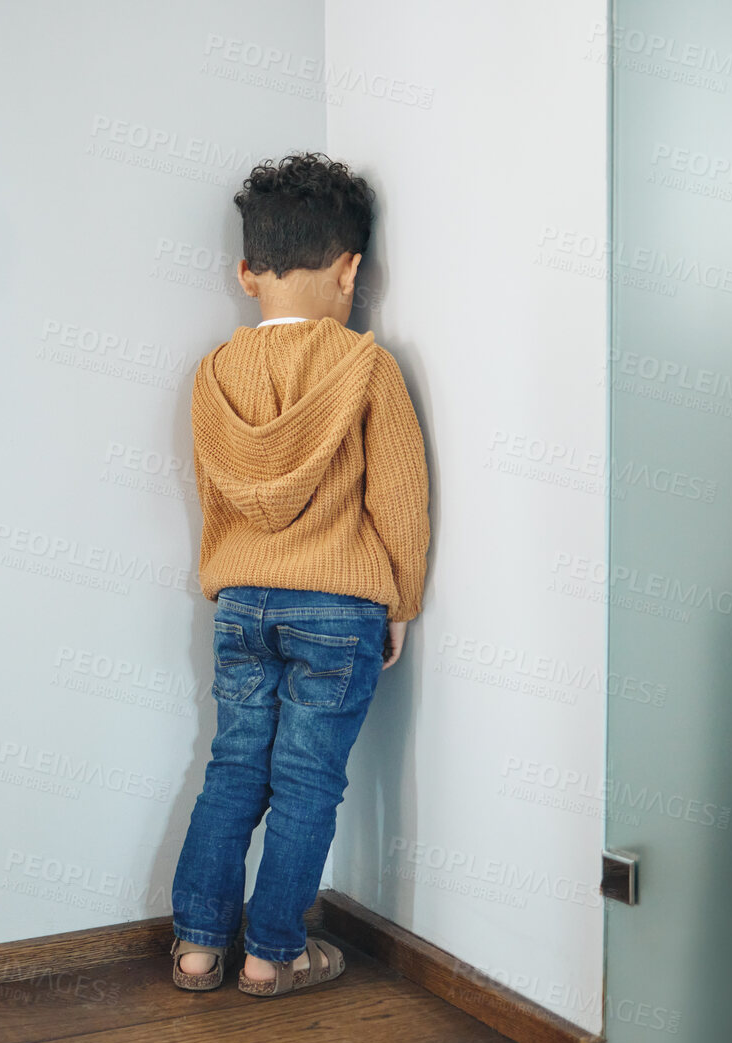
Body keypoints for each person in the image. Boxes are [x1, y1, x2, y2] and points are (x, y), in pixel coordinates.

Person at [168, 152, 431, 997]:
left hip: (240, 602)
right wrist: (402, 602)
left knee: (233, 769)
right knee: (307, 781)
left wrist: (231, 581)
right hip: (337, 607)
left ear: (246, 270)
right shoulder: (367, 368)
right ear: (350, 268)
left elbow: (216, 499)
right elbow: (399, 503)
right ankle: (271, 953)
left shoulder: (213, 374)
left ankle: (199, 948)